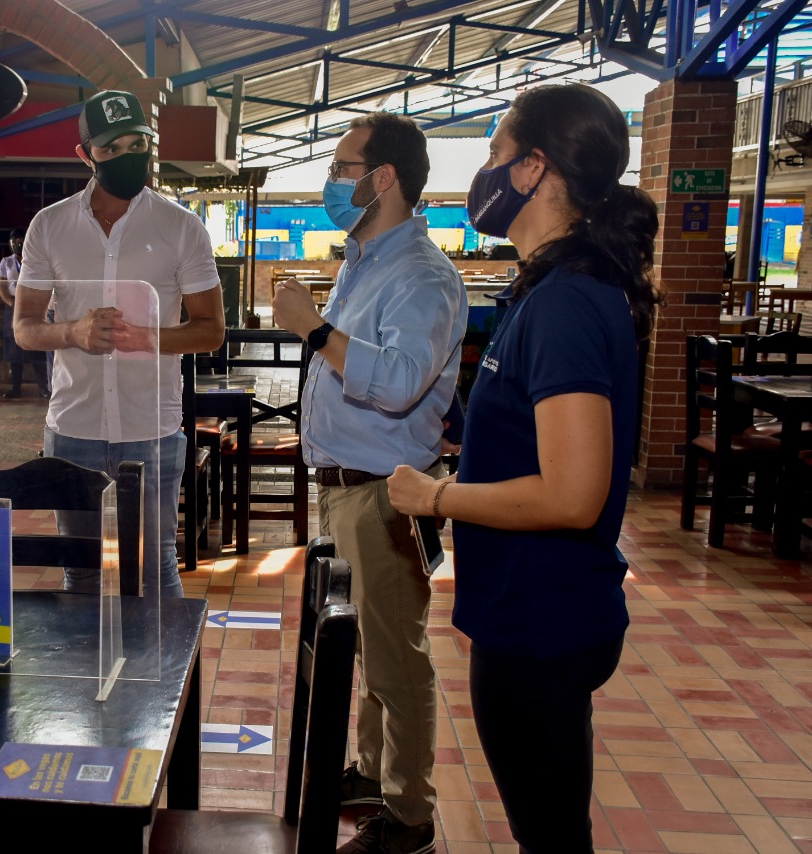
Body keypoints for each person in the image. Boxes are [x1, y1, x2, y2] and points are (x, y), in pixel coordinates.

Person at [386, 83, 661, 852]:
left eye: (495, 153)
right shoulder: (549, 285)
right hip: (535, 607)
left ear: (535, 168)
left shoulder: (567, 299)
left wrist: (438, 495)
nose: (485, 171)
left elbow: (574, 494)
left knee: (550, 836)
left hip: (542, 617)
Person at [271, 113, 466, 854]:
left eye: (343, 167)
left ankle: (410, 814)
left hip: (387, 492)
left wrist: (313, 327)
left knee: (395, 654)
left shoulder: (419, 274)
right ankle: (373, 769)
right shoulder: (367, 258)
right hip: (347, 486)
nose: (332, 179)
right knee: (366, 646)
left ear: (383, 179)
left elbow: (399, 383)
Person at [14, 89, 225, 598]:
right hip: (73, 427)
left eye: (138, 143)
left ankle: (162, 679)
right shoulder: (49, 226)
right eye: (112, 149)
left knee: (156, 568)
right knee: (81, 569)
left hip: (150, 427)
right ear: (86, 155)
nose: (129, 157)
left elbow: (211, 329)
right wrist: (71, 333)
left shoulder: (182, 227)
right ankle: (82, 678)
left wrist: (149, 337)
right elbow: (24, 326)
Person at [0, 230, 48, 399]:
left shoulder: (34, 261)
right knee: (13, 349)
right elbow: (1, 288)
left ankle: (43, 388)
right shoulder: (6, 262)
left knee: (36, 347)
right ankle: (15, 388)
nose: (18, 244)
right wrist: (13, 304)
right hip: (12, 306)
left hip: (33, 305)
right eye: (15, 241)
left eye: (21, 240)